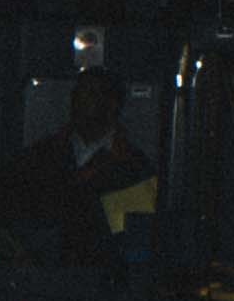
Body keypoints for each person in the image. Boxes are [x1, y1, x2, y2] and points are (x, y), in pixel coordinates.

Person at [22, 76, 156, 259]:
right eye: (81, 95)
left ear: (115, 105)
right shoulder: (40, 156)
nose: (87, 103)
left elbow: (140, 233)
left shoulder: (137, 167)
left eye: (97, 95)